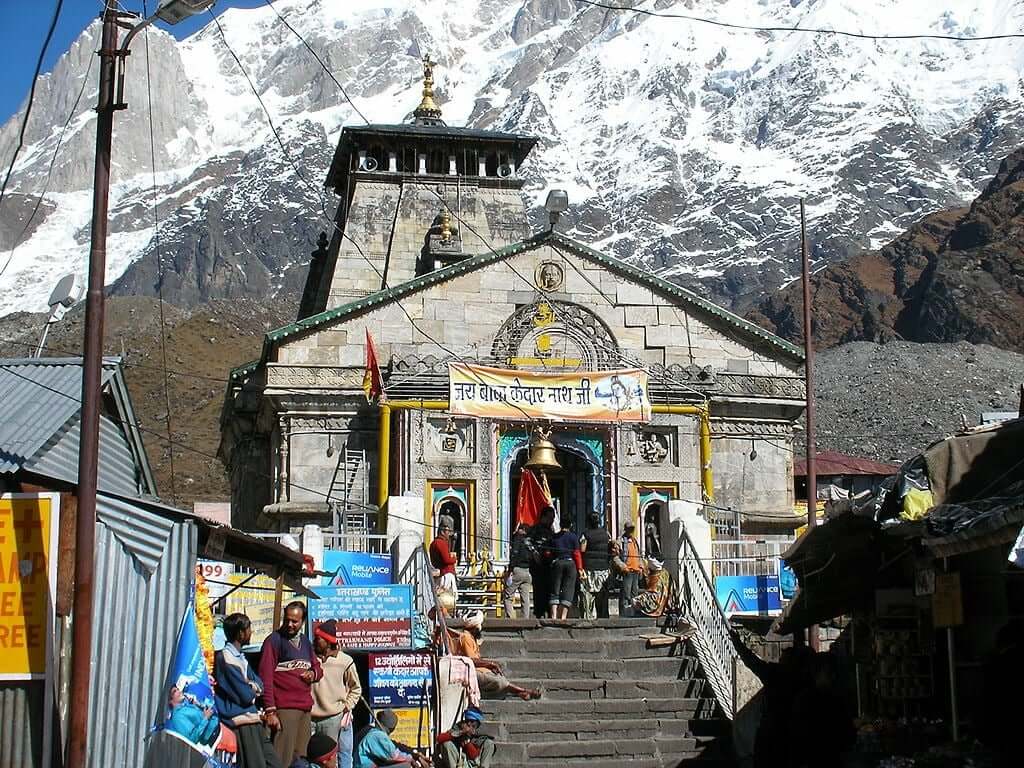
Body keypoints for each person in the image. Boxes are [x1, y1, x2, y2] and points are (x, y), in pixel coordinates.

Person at [259, 601, 323, 766]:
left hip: (304, 708)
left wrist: (312, 674)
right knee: (283, 758)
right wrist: (270, 710)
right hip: (284, 709)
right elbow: (265, 677)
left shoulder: (306, 643)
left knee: (301, 758)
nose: (290, 624)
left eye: (295, 621)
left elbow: (318, 667)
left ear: (302, 622)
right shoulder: (274, 641)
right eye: (287, 620)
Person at [215, 613, 281, 768]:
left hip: (253, 719)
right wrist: (252, 687)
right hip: (242, 722)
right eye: (249, 628)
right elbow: (245, 695)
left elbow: (260, 685)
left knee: (274, 763)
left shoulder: (241, 658)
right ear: (241, 633)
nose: (251, 632)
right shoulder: (226, 658)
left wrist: (251, 685)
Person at [448, 613, 541, 701]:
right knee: (498, 681)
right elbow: (471, 660)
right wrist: (490, 664)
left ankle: (523, 692)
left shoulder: (471, 637)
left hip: (476, 669)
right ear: (476, 627)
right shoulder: (466, 638)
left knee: (500, 678)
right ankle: (523, 691)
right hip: (468, 670)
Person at [311, 620, 361, 768]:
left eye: (318, 638)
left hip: (334, 718)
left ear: (327, 641)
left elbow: (356, 688)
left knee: (334, 760)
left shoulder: (345, 661)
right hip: (310, 717)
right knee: (313, 759)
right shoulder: (309, 659)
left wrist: (346, 706)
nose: (314, 641)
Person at [354, 709, 430, 768]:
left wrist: (414, 754)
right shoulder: (377, 735)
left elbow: (394, 746)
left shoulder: (374, 733)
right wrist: (411, 759)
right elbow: (394, 755)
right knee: (407, 765)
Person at [548, 515, 582, 620]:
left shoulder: (554, 537)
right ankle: (563, 616)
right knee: (569, 589)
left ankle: (553, 615)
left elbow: (548, 552)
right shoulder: (573, 537)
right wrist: (580, 568)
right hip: (570, 563)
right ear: (571, 525)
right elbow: (576, 553)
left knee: (555, 588)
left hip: (557, 563)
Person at [578, 513, 611, 620]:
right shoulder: (606, 534)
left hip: (590, 568)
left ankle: (590, 617)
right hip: (603, 568)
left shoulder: (586, 534)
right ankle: (603, 616)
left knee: (589, 593)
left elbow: (582, 549)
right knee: (602, 594)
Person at [167, 681, 220, 747]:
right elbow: (192, 738)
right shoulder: (178, 717)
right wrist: (206, 718)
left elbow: (204, 713)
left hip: (218, 725)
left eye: (178, 689)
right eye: (175, 691)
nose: (179, 691)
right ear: (170, 701)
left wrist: (198, 704)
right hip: (214, 736)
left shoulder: (187, 706)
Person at [527, 506, 555, 619]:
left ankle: (548, 612)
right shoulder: (535, 529)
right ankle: (539, 613)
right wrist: (534, 553)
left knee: (549, 590)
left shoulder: (551, 531)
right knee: (539, 590)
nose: (551, 520)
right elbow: (527, 541)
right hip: (537, 566)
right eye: (549, 517)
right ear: (543, 517)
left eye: (553, 518)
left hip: (549, 566)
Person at [502, 522, 533, 618]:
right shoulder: (530, 542)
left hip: (517, 570)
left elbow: (514, 555)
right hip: (528, 571)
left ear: (522, 530)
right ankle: (525, 619)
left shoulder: (518, 539)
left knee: (508, 595)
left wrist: (510, 570)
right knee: (525, 597)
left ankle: (512, 618)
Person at [618, 521, 644, 617]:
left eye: (632, 529)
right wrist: (622, 566)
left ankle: (634, 613)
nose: (631, 531)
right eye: (629, 529)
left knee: (634, 594)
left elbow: (638, 554)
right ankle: (624, 614)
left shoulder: (634, 541)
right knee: (626, 593)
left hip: (636, 570)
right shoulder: (621, 541)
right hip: (627, 570)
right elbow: (616, 556)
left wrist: (641, 566)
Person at [430, 516, 459, 600]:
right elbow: (447, 559)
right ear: (443, 531)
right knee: (447, 599)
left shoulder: (434, 543)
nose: (449, 534)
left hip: (441, 573)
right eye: (448, 531)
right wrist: (454, 558)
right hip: (446, 574)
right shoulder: (441, 543)